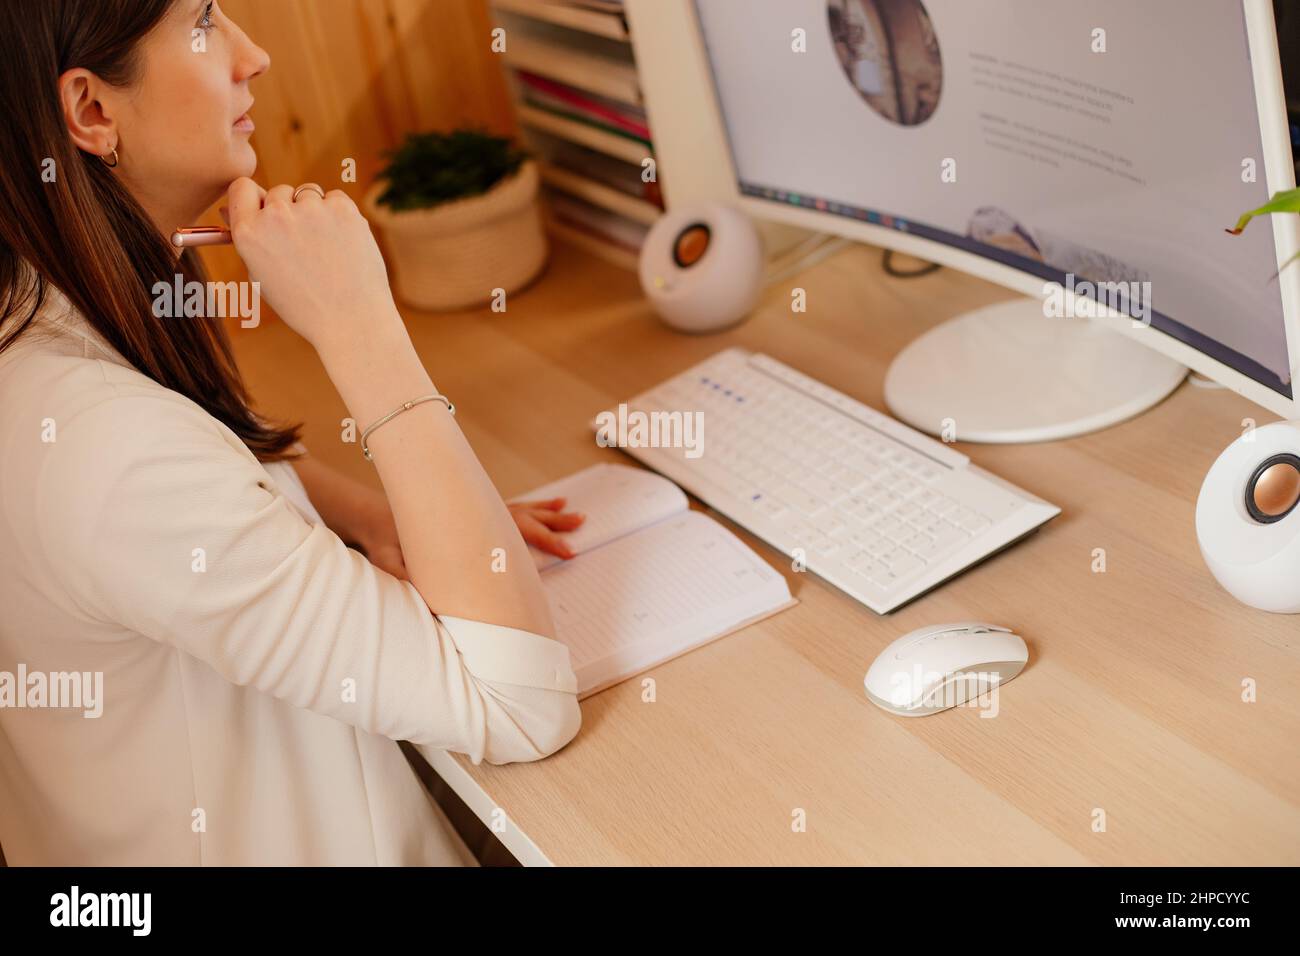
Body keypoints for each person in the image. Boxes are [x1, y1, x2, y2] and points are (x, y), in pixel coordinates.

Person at [0, 0, 584, 866]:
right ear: (91, 111)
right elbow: (521, 707)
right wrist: (362, 328)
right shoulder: (114, 453)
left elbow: (207, 473)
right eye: (204, 24)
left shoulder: (43, 327)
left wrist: (367, 513)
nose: (255, 55)